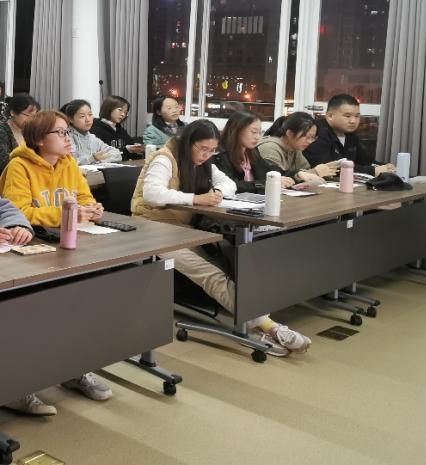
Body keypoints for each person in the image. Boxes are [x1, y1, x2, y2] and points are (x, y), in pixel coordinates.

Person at [131, 120, 311, 356]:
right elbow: (152, 193)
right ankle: (269, 327)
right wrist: (196, 199)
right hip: (151, 229)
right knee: (210, 273)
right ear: (188, 143)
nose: (207, 155)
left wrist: (216, 193)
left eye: (212, 150)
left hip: (182, 229)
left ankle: (255, 319)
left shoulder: (203, 162)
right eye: (203, 149)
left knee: (229, 262)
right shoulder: (165, 158)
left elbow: (228, 183)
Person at [0, 110, 112, 411]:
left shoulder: (68, 163)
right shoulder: (19, 166)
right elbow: (18, 213)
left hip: (63, 245)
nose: (67, 138)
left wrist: (92, 209)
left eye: (67, 132)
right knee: (35, 315)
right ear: (39, 139)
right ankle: (17, 384)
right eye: (59, 133)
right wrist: (67, 214)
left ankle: (73, 369)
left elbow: (83, 197)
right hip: (23, 251)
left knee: (78, 307)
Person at [304, 94, 395, 176]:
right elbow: (330, 168)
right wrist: (372, 171)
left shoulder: (350, 134)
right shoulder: (317, 133)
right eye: (347, 116)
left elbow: (365, 161)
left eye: (357, 116)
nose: (353, 121)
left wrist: (383, 166)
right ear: (330, 116)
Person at [214, 111, 295, 192]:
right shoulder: (221, 156)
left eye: (260, 132)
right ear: (236, 131)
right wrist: (265, 183)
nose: (257, 137)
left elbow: (268, 170)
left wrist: (295, 174)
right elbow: (231, 184)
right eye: (254, 132)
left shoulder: (251, 151)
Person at [257, 112, 337, 184]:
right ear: (290, 133)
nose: (310, 141)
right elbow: (275, 178)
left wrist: (325, 171)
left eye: (313, 138)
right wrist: (316, 172)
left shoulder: (295, 149)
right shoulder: (270, 148)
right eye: (307, 137)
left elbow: (305, 170)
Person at [0, 94, 39, 179]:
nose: (31, 120)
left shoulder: (31, 132)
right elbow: (8, 164)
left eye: (34, 116)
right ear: (13, 112)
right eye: (28, 115)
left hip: (27, 176)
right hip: (0, 180)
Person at [62, 99, 122, 165]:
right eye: (82, 116)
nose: (88, 119)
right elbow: (67, 162)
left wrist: (98, 160)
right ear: (70, 119)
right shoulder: (66, 137)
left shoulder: (92, 138)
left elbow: (117, 154)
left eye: (90, 114)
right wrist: (92, 158)